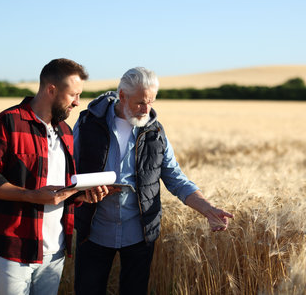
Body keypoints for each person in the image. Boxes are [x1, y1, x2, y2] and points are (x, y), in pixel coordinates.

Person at [73, 67, 234, 295]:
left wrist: (207, 208)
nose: (146, 109)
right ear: (122, 96)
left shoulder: (155, 131)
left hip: (139, 234)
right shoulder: (88, 123)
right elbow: (69, 168)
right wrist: (83, 192)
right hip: (94, 230)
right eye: (140, 102)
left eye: (151, 102)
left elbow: (176, 178)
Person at [0, 58, 112, 295]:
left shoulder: (66, 132)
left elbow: (59, 189)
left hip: (54, 250)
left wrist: (81, 196)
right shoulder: (7, 122)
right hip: (14, 248)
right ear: (51, 90)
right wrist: (31, 196)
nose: (78, 103)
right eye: (73, 95)